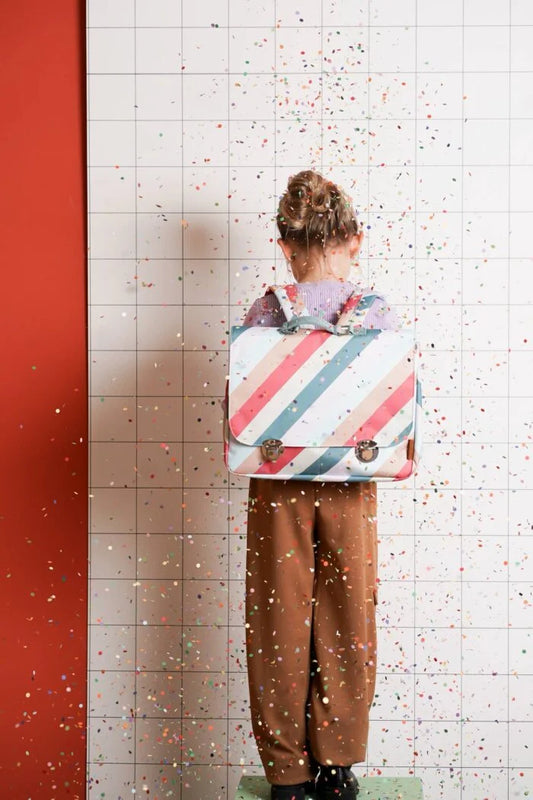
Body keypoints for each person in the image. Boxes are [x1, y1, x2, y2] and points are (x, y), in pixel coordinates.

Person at [240, 170, 399, 800]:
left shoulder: (264, 312)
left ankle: (286, 772)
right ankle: (338, 765)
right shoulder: (379, 313)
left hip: (278, 479)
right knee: (348, 616)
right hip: (353, 481)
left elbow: (239, 406)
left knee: (277, 615)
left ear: (285, 244)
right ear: (356, 240)